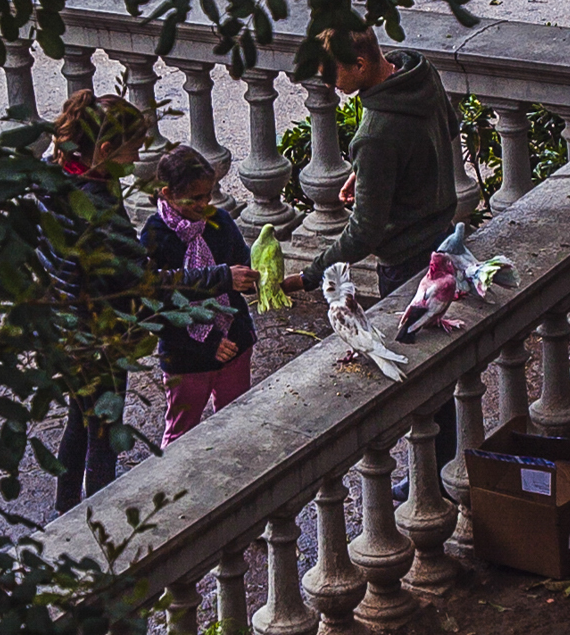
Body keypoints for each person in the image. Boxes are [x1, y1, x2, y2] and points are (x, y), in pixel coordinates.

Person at [36, 92, 237, 514]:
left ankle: (64, 507)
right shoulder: (96, 207)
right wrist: (221, 277)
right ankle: (99, 518)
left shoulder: (53, 171)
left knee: (79, 418)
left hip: (62, 323)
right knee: (104, 431)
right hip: (98, 332)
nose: (134, 163)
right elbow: (144, 282)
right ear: (106, 149)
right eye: (131, 153)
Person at [281, 28, 460, 497]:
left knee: (420, 377)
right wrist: (369, 175)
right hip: (444, 239)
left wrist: (311, 275)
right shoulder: (417, 71)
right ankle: (447, 467)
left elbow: (364, 232)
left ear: (360, 64)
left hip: (406, 263)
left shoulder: (375, 134)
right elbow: (450, 126)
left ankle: (433, 481)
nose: (329, 84)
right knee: (442, 369)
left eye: (332, 74)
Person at [141, 146, 259, 447]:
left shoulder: (220, 221)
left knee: (236, 425)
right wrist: (206, 343)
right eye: (195, 198)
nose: (204, 204)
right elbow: (155, 307)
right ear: (167, 194)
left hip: (234, 342)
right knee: (181, 434)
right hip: (185, 356)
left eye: (208, 196)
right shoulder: (154, 237)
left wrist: (253, 280)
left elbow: (241, 264)